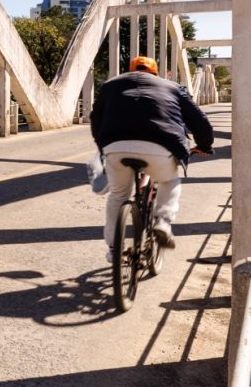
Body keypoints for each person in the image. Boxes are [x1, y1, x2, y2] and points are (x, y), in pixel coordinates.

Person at [89, 56, 214, 261]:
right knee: (169, 180)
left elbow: (96, 119)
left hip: (115, 144)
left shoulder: (111, 85)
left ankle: (114, 248)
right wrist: (204, 145)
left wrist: (103, 145)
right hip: (161, 145)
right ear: (156, 73)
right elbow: (199, 121)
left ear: (129, 71)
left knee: (118, 194)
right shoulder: (172, 87)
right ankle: (163, 222)